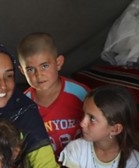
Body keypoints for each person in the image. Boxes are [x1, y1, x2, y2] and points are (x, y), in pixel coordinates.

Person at [17, 32, 89, 161]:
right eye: (30, 69)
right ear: (22, 71)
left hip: (83, 164)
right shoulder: (22, 105)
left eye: (44, 66)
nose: (39, 75)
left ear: (58, 63)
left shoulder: (80, 93)